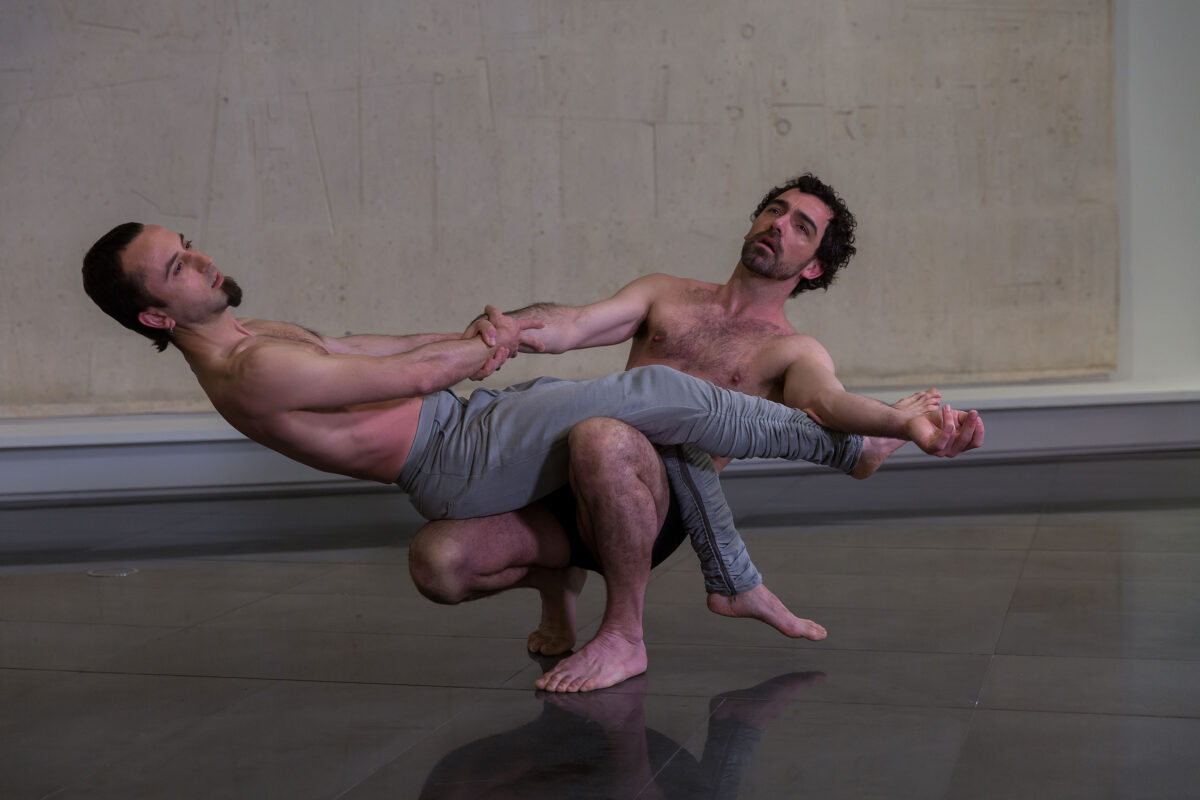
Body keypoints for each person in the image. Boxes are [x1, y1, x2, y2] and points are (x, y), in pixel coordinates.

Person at [79, 222, 959, 592]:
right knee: (655, 392)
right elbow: (412, 382)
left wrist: (464, 335)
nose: (198, 259)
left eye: (187, 245)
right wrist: (485, 347)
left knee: (640, 405)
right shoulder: (250, 375)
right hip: (451, 456)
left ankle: (592, 594)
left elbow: (366, 349)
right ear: (156, 314)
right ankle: (858, 447)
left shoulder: (253, 334)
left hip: (459, 434)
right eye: (177, 268)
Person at [409, 173, 984, 692]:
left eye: (800, 226)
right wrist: (515, 326)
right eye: (774, 210)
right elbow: (576, 322)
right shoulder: (666, 293)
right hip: (564, 482)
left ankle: (623, 636)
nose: (778, 224)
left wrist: (901, 422)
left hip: (650, 501)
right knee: (436, 564)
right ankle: (555, 582)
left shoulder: (791, 350)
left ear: (813, 267)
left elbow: (826, 403)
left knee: (603, 435)